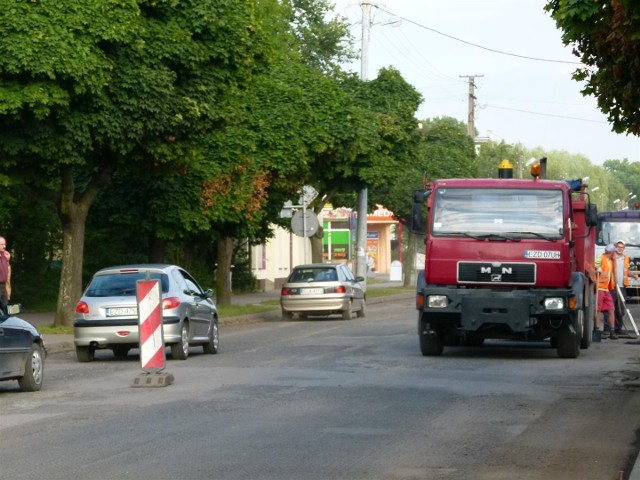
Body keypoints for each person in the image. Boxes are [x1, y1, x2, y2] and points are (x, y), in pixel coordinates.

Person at [609, 240, 639, 337]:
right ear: (615, 247)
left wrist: (633, 276)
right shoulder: (611, 258)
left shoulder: (626, 259)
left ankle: (618, 328)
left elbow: (626, 271)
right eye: (618, 247)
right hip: (612, 286)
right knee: (610, 308)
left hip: (622, 287)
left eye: (622, 247)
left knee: (621, 308)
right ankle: (609, 329)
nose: (620, 249)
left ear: (624, 248)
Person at [595, 244, 617, 342]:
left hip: (606, 289)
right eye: (614, 252)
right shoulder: (600, 258)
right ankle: (596, 329)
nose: (615, 254)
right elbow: (594, 266)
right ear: (611, 252)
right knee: (598, 310)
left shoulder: (611, 261)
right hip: (599, 288)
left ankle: (612, 331)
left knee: (611, 309)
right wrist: (596, 269)